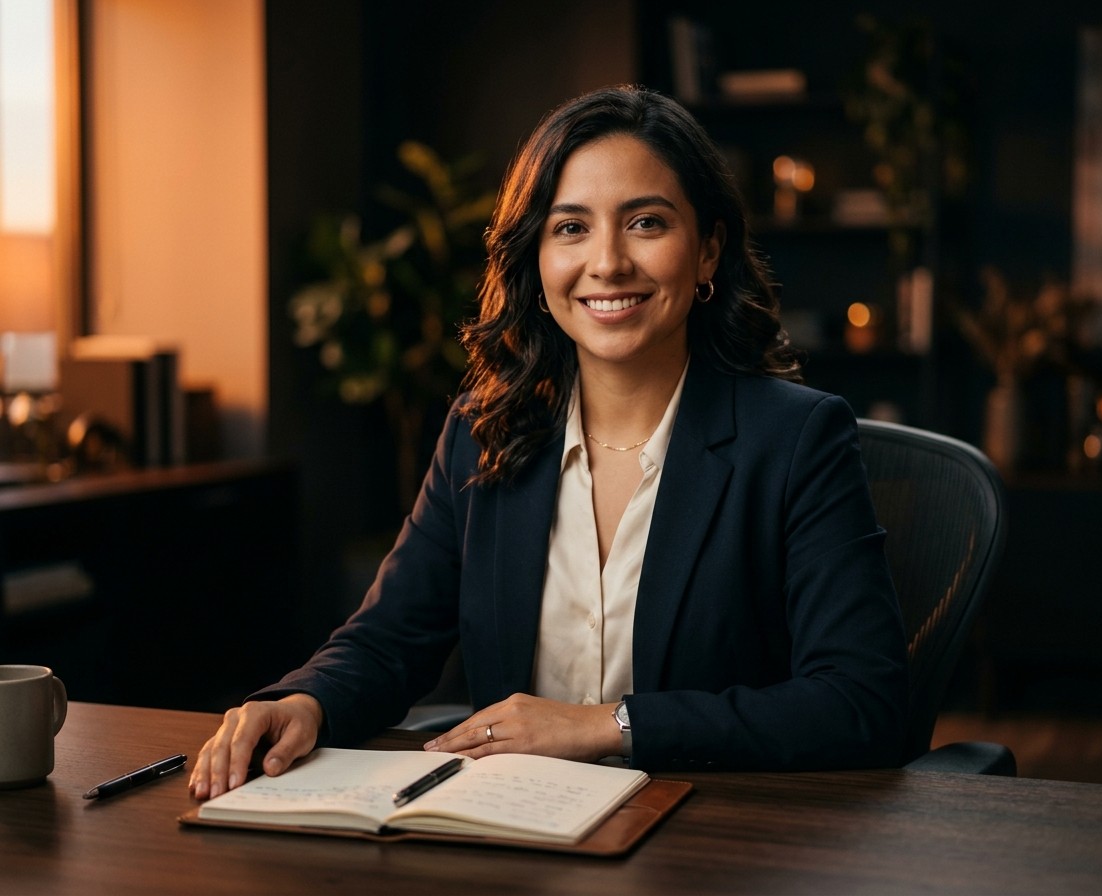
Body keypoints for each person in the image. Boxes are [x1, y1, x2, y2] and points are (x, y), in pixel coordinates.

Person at [190, 84, 908, 800]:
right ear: (536, 258)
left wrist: (608, 726)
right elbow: (390, 639)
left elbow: (859, 701)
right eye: (570, 228)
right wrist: (304, 702)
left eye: (647, 223)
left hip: (711, 841)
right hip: (515, 835)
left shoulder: (794, 439)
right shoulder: (485, 430)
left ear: (708, 251)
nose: (608, 263)